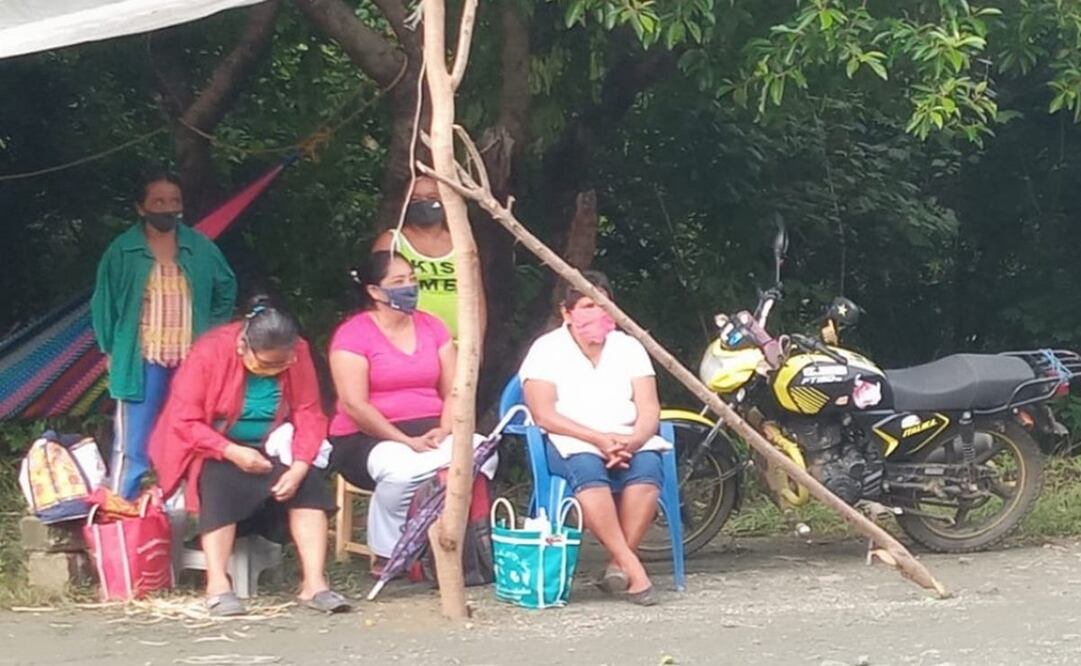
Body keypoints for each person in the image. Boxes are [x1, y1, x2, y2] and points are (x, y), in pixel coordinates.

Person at [148, 296, 349, 616]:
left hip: (271, 446)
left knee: (309, 484)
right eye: (267, 365)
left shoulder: (297, 353)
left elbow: (309, 413)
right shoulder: (210, 351)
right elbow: (184, 421)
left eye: (281, 365)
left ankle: (314, 584)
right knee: (219, 481)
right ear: (244, 347)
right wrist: (230, 450)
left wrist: (298, 466)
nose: (274, 371)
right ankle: (218, 584)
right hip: (215, 446)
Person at [328, 251, 495, 572]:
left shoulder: (433, 326)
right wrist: (405, 440)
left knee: (484, 450)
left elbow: (455, 389)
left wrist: (446, 429)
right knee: (402, 469)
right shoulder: (353, 334)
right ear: (375, 291)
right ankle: (387, 551)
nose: (410, 288)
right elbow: (354, 404)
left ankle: (451, 540)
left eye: (413, 280)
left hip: (432, 431)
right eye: (398, 282)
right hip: (367, 437)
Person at [518, 270, 670, 606]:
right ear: (567, 312)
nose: (597, 313)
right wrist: (598, 439)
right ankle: (633, 567)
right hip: (571, 438)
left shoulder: (629, 347)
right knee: (588, 472)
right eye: (588, 305)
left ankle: (618, 563)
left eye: (603, 304)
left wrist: (631, 441)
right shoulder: (546, 349)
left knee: (647, 471)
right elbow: (543, 414)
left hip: (628, 438)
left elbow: (649, 409)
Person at [91, 168, 237, 500]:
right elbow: (104, 306)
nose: (167, 208)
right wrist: (112, 351)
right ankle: (120, 522)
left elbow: (226, 287)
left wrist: (213, 333)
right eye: (157, 201)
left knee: (193, 440)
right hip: (141, 361)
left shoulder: (199, 246)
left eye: (174, 201)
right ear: (140, 208)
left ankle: (189, 521)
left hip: (191, 363)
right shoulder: (122, 250)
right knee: (134, 447)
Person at [371, 175, 486, 341]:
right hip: (410, 344)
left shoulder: (462, 242)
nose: (423, 203)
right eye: (415, 199)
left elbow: (477, 297)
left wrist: (477, 344)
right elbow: (376, 294)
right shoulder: (392, 241)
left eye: (432, 198)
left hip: (458, 345)